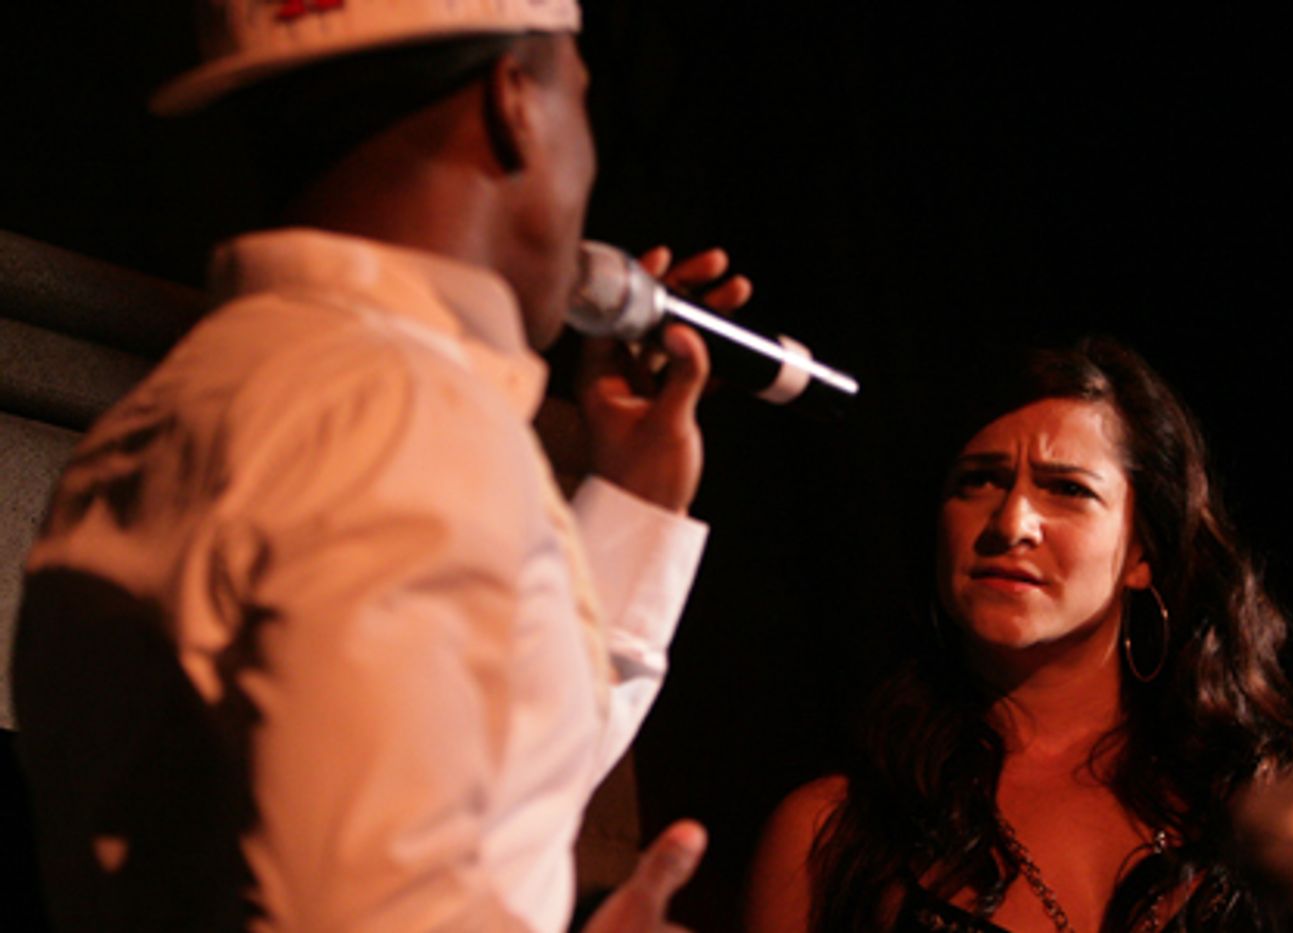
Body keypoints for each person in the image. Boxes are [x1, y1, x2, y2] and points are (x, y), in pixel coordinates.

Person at [13, 2, 749, 930]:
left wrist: (635, 501)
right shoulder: (398, 423)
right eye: (582, 95)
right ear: (516, 101)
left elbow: (467, 787)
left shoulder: (156, 425)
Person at [745, 337, 1293, 932]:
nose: (1011, 523)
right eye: (979, 480)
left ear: (1143, 552)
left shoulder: (1279, 777)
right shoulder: (832, 834)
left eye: (1067, 489)